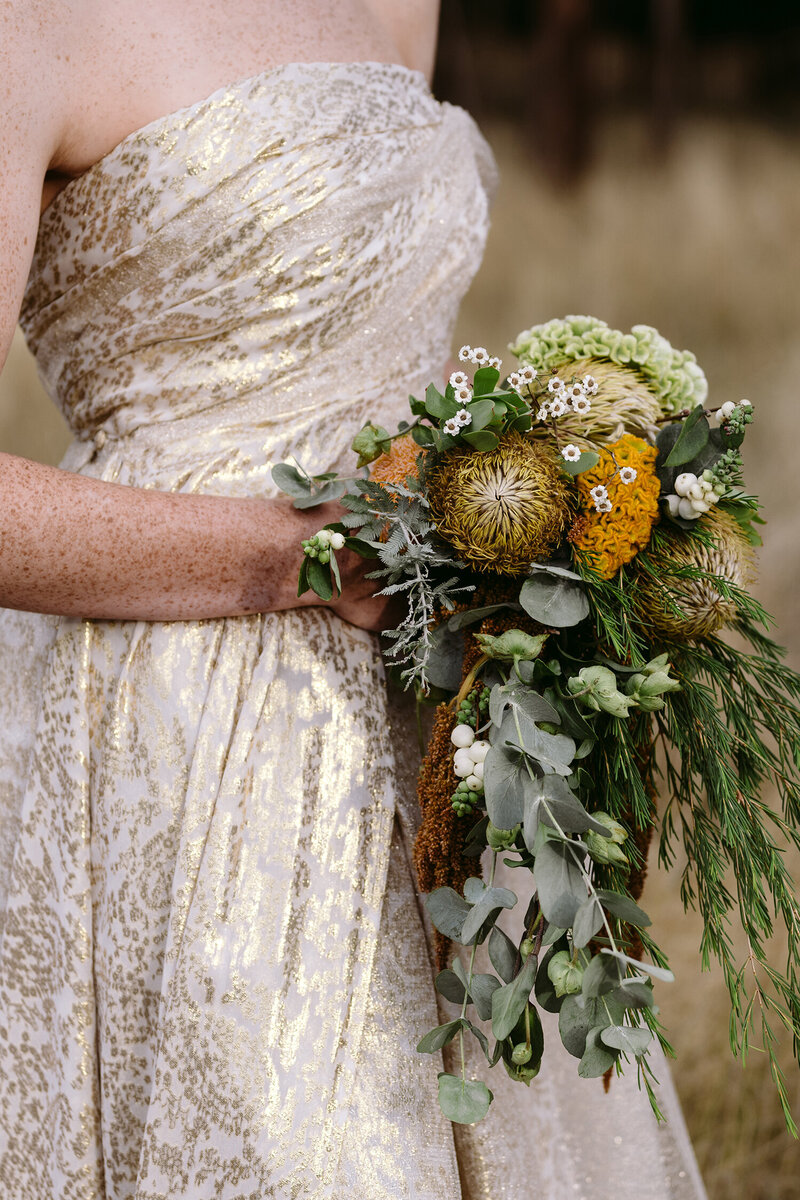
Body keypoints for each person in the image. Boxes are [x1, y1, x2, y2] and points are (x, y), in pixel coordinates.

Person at [0, 2, 707, 1196]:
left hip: (442, 701)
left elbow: (380, 336)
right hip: (177, 735)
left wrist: (541, 504)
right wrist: (295, 557)